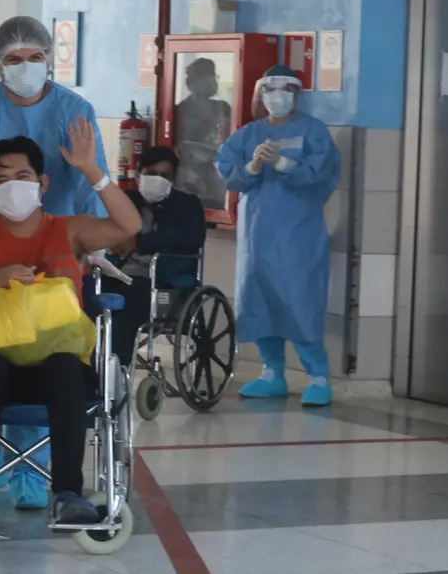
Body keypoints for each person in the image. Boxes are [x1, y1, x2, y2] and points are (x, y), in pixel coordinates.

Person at [0, 130, 142, 532]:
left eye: (22, 177)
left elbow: (130, 224)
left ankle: (67, 494)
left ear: (42, 184)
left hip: (58, 367)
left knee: (63, 367)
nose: (12, 187)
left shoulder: (70, 229)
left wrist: (91, 169)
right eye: (0, 180)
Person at [0, 15, 110, 509]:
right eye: (14, 59)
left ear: (51, 61)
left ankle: (39, 477)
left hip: (58, 247)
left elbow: (88, 179)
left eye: (36, 57)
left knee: (52, 345)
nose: (26, 66)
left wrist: (91, 243)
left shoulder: (74, 109)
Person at [214, 65, 340, 407]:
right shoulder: (248, 134)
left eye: (285, 89)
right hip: (257, 235)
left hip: (299, 235)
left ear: (297, 94)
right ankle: (272, 373)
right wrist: (252, 167)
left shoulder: (313, 132)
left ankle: (317, 377)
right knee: (261, 300)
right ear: (261, 94)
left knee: (300, 300)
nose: (278, 96)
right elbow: (228, 171)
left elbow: (322, 172)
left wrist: (286, 165)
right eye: (270, 89)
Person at [101, 146, 206, 368]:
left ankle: (116, 374)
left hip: (159, 278)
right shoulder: (125, 200)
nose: (157, 180)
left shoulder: (187, 205)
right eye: (150, 174)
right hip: (119, 271)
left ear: (173, 179)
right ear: (138, 174)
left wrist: (139, 243)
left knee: (125, 311)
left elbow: (191, 238)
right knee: (87, 293)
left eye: (163, 176)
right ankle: (92, 367)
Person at [174, 57, 232, 209]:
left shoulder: (223, 108)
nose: (211, 82)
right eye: (206, 77)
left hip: (218, 179)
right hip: (189, 177)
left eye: (213, 77)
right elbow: (177, 146)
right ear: (192, 82)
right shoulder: (180, 111)